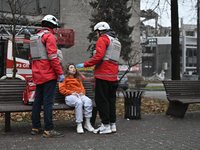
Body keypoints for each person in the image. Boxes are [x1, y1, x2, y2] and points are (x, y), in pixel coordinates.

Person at [77, 22, 121, 134]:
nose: (97, 35)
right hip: (113, 76)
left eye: (96, 32)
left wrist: (85, 64)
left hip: (103, 75)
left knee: (101, 100)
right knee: (111, 100)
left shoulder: (103, 38)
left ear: (100, 30)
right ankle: (112, 124)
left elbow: (99, 56)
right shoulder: (116, 41)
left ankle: (105, 125)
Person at [30, 14, 65, 138]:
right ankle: (49, 129)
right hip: (48, 74)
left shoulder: (35, 37)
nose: (55, 29)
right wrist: (60, 73)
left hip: (37, 74)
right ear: (51, 25)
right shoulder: (49, 36)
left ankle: (35, 127)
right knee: (48, 103)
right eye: (54, 27)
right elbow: (53, 57)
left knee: (37, 102)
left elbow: (32, 58)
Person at [59, 63, 94, 133]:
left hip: (79, 95)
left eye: (74, 68)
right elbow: (62, 89)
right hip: (70, 96)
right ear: (68, 70)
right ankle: (79, 124)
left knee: (89, 101)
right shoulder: (64, 78)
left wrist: (82, 93)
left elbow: (82, 89)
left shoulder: (78, 79)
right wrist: (71, 92)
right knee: (79, 102)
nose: (73, 69)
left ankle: (87, 123)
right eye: (71, 67)